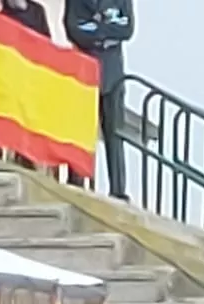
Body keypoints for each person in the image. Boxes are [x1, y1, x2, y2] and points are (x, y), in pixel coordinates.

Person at [64, 0, 133, 199]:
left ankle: (118, 189)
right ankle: (75, 181)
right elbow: (74, 28)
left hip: (113, 76)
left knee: (115, 134)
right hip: (85, 73)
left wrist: (96, 29)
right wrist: (106, 33)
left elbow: (126, 29)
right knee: (80, 131)